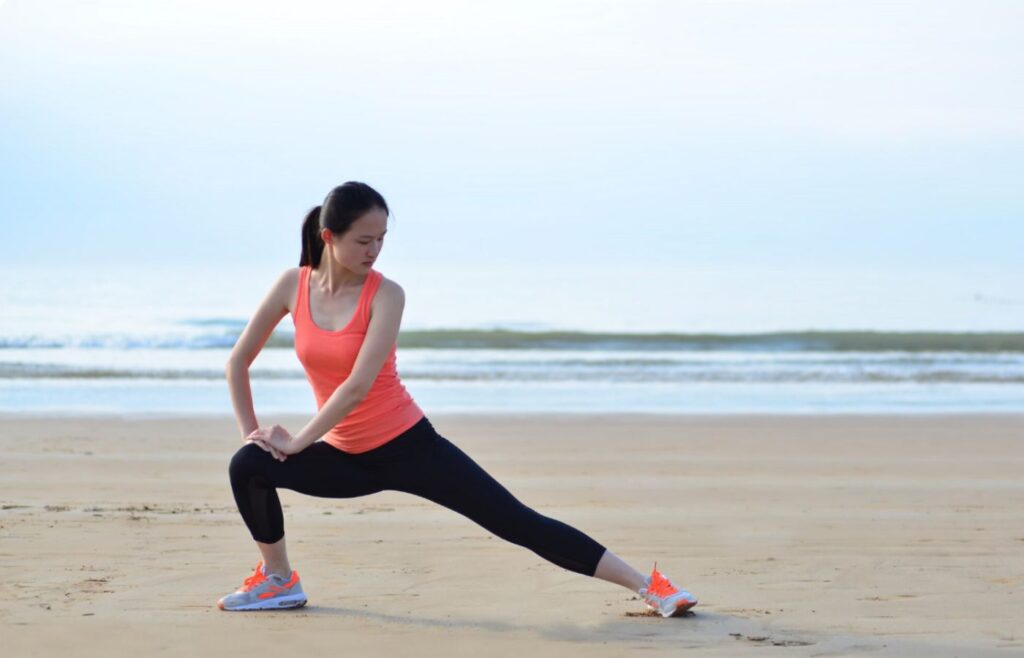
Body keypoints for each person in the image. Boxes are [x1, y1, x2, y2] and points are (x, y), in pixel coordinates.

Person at [218, 181, 698, 617]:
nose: (375, 250)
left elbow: (358, 386)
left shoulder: (386, 295)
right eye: (364, 241)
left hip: (409, 448)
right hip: (346, 458)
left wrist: (300, 440)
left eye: (382, 238)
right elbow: (237, 361)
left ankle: (650, 586)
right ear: (329, 237)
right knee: (247, 465)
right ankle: (279, 580)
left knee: (517, 522)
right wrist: (254, 438)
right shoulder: (291, 285)